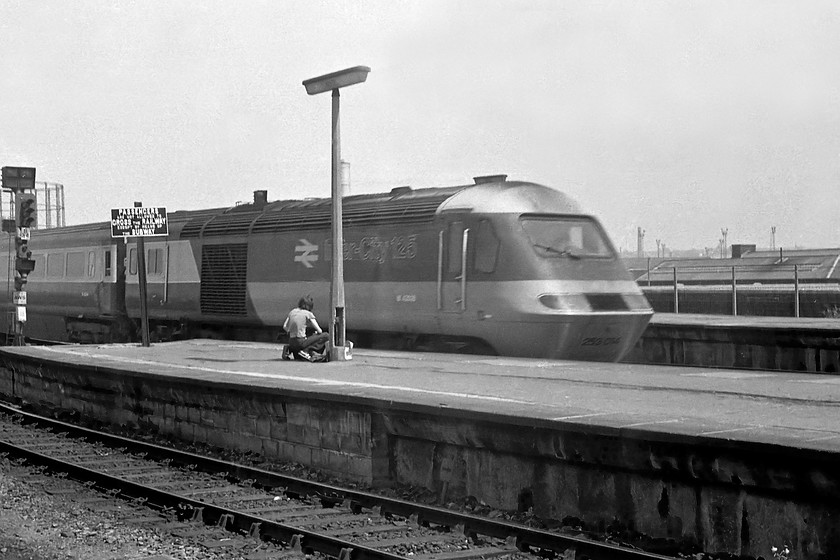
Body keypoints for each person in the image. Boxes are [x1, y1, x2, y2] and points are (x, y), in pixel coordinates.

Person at [282, 296, 330, 361]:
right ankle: (306, 351)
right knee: (326, 335)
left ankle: (288, 349)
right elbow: (319, 330)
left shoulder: (292, 311)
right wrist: (316, 334)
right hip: (300, 342)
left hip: (291, 342)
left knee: (299, 352)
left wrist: (291, 331)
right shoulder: (308, 314)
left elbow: (284, 326)